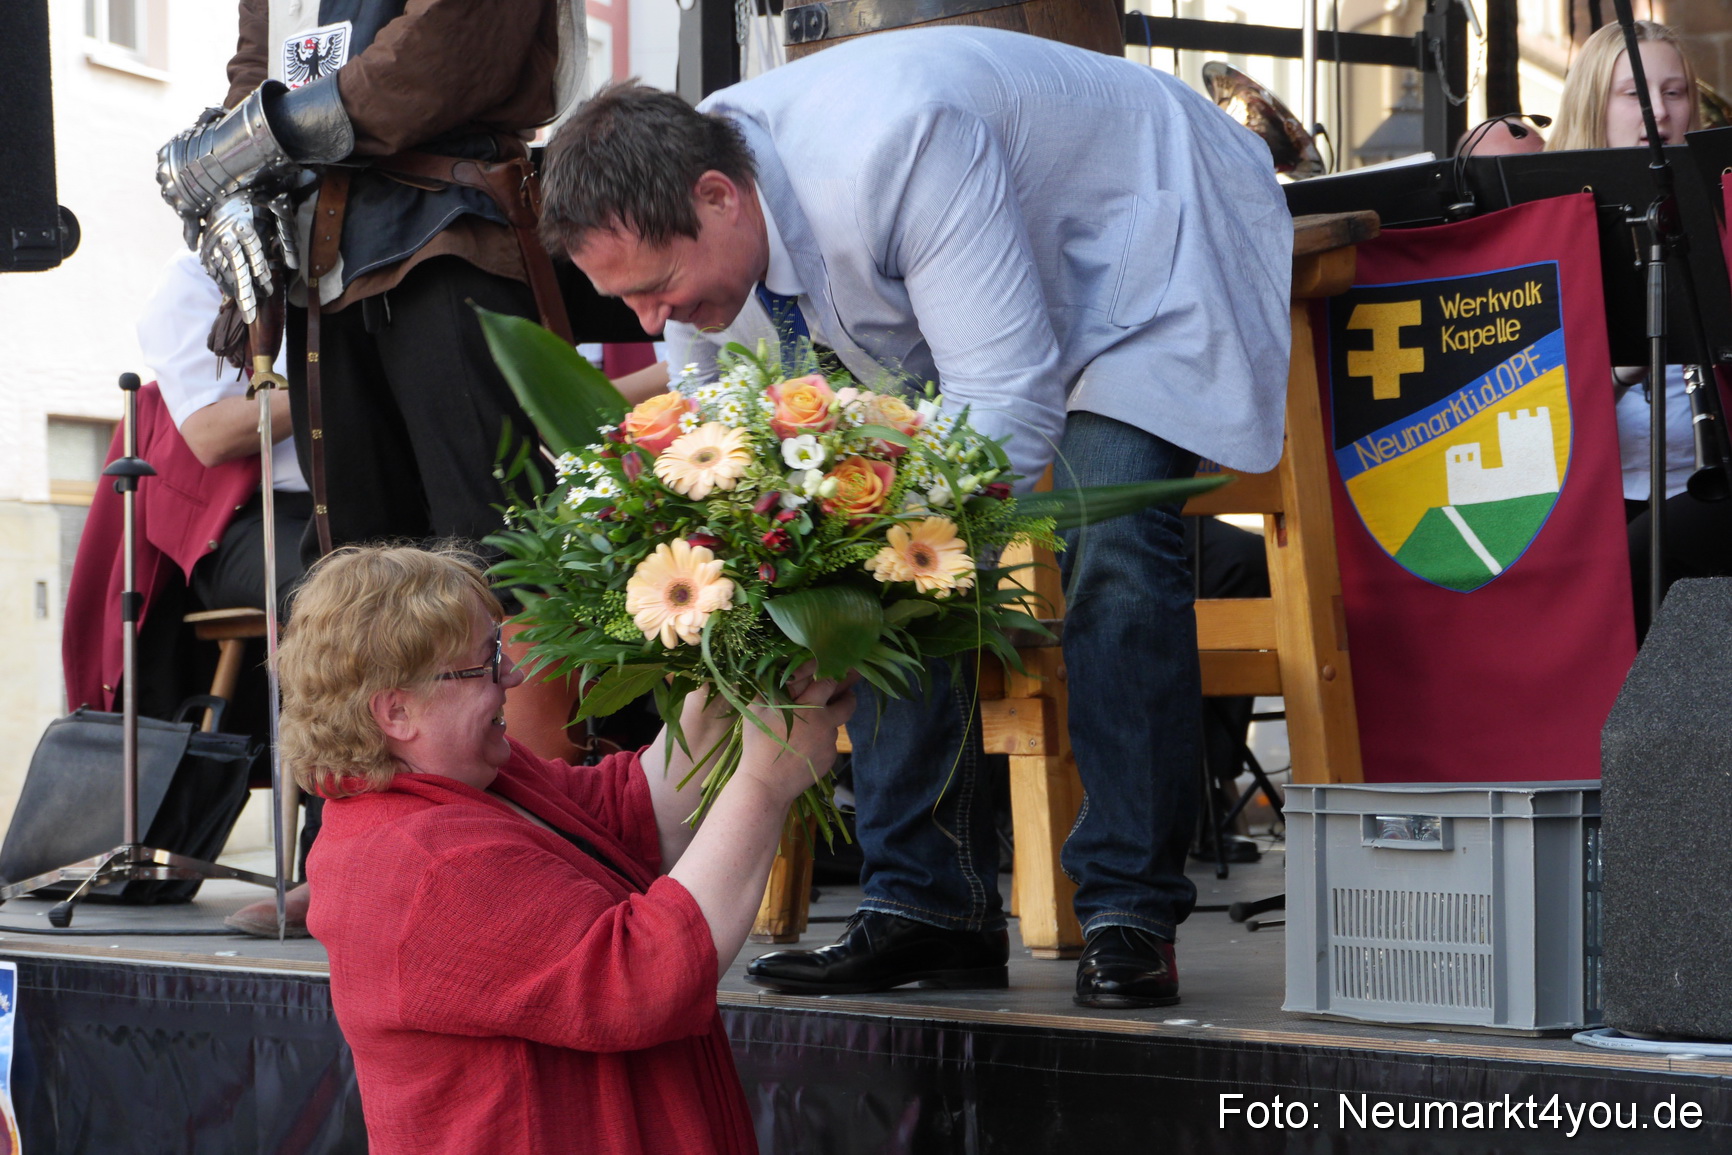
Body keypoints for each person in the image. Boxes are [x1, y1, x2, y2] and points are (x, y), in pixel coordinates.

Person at [538, 27, 1292, 1008]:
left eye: (654, 291)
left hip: (1140, 239)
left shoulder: (895, 147)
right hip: (988, 284)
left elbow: (1006, 404)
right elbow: (718, 431)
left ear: (717, 199)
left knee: (1099, 531)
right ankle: (925, 907)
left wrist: (885, 542)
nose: (650, 324)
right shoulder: (692, 197)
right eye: (629, 303)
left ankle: (1129, 911)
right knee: (858, 526)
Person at [284, 546, 853, 1155]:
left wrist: (723, 692)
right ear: (397, 711)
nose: (513, 675)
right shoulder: (425, 862)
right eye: (486, 663)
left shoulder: (470, 785)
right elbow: (641, 980)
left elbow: (628, 816)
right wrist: (763, 784)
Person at [154, 0, 595, 761]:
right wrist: (229, 181)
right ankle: (368, 825)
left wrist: (252, 143)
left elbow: (445, 46)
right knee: (355, 574)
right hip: (321, 264)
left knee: (504, 556)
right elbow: (258, 67)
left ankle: (535, 817)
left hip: (449, 236)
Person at [1546, 19, 1732, 635]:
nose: (1661, 112)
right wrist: (1624, 366)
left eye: (1675, 92)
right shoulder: (1548, 226)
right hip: (1597, 493)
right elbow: (1530, 411)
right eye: (1635, 94)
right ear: (1592, 105)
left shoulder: (1718, 207)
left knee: (1646, 557)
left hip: (1710, 487)